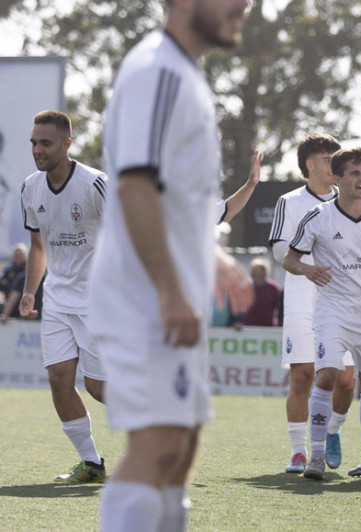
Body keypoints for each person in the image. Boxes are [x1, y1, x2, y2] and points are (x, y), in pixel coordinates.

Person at [90, 1, 252, 530]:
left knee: (179, 450)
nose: (244, 3)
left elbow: (174, 198)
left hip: (169, 297)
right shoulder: (157, 69)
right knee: (158, 448)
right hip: (144, 298)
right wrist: (168, 288)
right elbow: (134, 184)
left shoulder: (186, 74)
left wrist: (213, 256)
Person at [282, 147, 361, 480]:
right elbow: (289, 259)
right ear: (337, 178)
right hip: (332, 312)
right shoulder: (318, 216)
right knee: (326, 376)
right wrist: (307, 270)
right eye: (354, 173)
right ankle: (316, 457)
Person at [19, 110, 108, 483]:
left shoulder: (95, 184)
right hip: (56, 297)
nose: (38, 150)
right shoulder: (30, 187)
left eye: (46, 143)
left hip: (99, 300)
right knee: (58, 379)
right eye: (34, 143)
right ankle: (91, 462)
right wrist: (28, 292)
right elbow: (37, 246)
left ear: (67, 144)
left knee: (99, 387)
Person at [268, 132, 357, 474]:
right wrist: (306, 266)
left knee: (346, 380)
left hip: (344, 301)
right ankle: (299, 451)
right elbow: (278, 249)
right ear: (309, 164)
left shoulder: (349, 199)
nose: (333, 164)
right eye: (326, 159)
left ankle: (332, 430)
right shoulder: (289, 202)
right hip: (303, 299)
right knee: (303, 375)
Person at [242, 257, 280, 326]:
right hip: (248, 327)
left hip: (267, 327)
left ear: (264, 272)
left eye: (256, 270)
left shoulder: (273, 288)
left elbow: (278, 307)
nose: (253, 272)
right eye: (252, 269)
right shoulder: (245, 287)